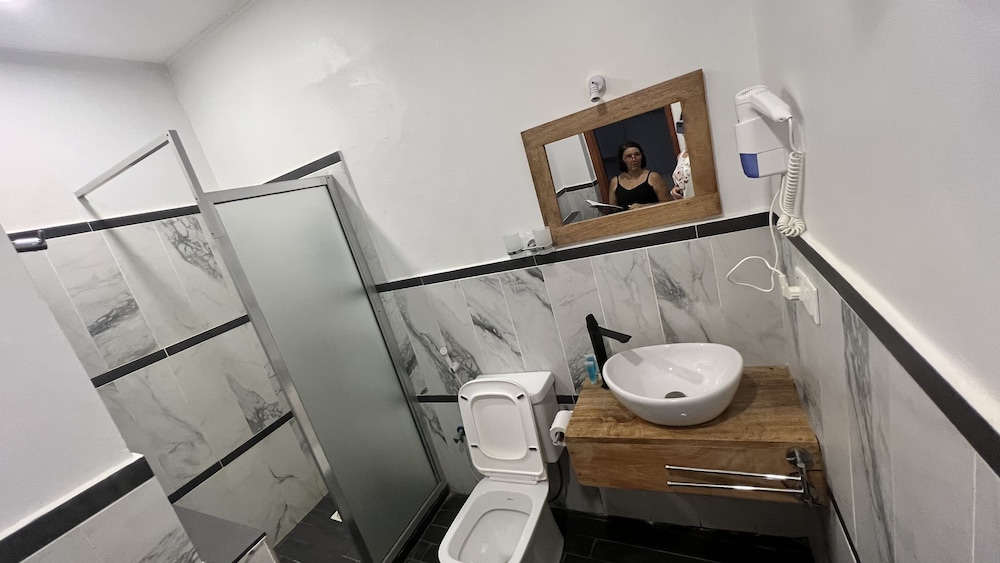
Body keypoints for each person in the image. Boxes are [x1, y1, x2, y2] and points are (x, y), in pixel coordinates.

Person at [607, 141, 685, 210]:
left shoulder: (653, 177)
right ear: (622, 160)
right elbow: (613, 209)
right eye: (629, 156)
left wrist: (645, 207)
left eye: (637, 155)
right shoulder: (615, 182)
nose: (634, 159)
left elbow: (668, 203)